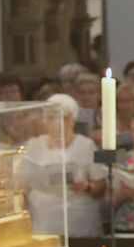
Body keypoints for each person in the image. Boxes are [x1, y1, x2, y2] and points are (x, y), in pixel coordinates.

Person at [24, 93, 107, 237]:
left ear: (71, 120)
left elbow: (100, 184)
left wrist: (86, 186)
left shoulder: (86, 145)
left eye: (58, 118)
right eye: (49, 118)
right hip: (43, 216)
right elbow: (24, 181)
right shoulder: (34, 145)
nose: (53, 123)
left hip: (78, 215)